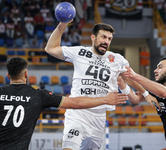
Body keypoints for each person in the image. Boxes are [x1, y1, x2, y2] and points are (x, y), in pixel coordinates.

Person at [45, 20, 158, 150]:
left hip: (99, 117)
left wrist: (146, 94)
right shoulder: (79, 52)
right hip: (77, 113)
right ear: (93, 37)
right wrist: (63, 24)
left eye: (109, 39)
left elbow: (130, 78)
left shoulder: (117, 59)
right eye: (103, 37)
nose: (106, 41)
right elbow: (50, 48)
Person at [0, 57, 128, 150]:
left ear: (8, 76)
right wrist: (105, 99)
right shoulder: (38, 95)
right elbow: (76, 103)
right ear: (26, 74)